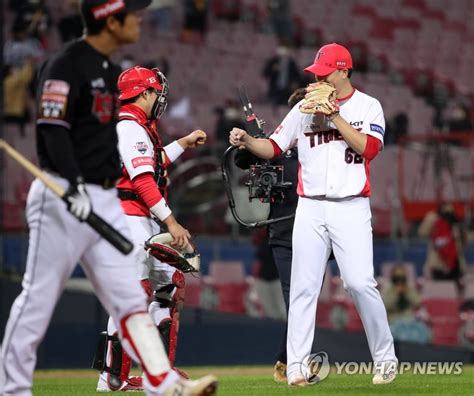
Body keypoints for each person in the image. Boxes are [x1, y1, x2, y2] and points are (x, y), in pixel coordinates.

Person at [0, 1, 217, 395]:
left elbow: (120, 157)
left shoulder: (107, 71)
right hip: (62, 193)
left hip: (103, 198)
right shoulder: (64, 65)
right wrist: (73, 184)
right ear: (111, 21)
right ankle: (11, 389)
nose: (138, 20)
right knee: (37, 299)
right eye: (132, 15)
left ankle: (161, 382)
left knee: (132, 297)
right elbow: (51, 129)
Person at [229, 42, 397, 386]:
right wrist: (247, 140)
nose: (318, 78)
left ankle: (385, 358)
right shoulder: (303, 110)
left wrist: (334, 114)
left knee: (360, 283)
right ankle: (296, 367)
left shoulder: (368, 106)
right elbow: (273, 147)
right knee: (304, 289)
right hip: (310, 207)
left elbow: (370, 149)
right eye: (316, 73)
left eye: (325, 73)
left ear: (344, 71)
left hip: (350, 206)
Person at [94, 65, 207, 391]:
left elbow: (152, 163)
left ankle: (157, 372)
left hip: (137, 218)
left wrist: (182, 143)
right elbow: (143, 180)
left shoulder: (137, 126)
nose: (161, 98)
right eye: (157, 92)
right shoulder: (130, 128)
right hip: (130, 218)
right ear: (144, 93)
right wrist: (171, 222)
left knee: (168, 287)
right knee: (134, 295)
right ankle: (113, 376)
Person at [418, 202, 467, 293]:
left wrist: (458, 225)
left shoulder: (455, 224)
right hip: (438, 263)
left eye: (450, 211)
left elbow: (464, 241)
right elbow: (422, 232)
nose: (448, 213)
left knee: (454, 292)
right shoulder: (435, 223)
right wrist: (433, 218)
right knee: (439, 292)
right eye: (445, 211)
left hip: (454, 263)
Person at [381, 265, 430, 344]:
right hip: (394, 321)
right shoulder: (387, 289)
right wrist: (396, 294)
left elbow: (417, 302)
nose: (399, 279)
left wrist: (407, 292)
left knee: (424, 331)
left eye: (402, 276)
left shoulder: (408, 287)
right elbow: (386, 306)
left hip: (410, 320)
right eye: (397, 276)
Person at [262, 43, 301, 107]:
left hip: (287, 90)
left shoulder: (291, 63)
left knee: (285, 108)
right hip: (274, 90)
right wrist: (272, 69)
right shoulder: (273, 61)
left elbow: (297, 76)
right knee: (273, 108)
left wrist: (294, 83)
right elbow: (265, 73)